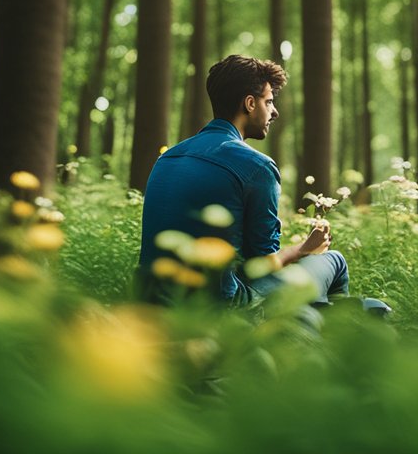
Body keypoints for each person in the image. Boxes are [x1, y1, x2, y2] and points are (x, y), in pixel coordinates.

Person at [137, 54, 358, 311]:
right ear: (250, 103)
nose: (274, 111)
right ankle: (326, 338)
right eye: (269, 101)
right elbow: (259, 267)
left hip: (152, 305)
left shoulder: (167, 158)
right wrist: (303, 249)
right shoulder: (257, 166)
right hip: (223, 308)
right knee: (335, 260)